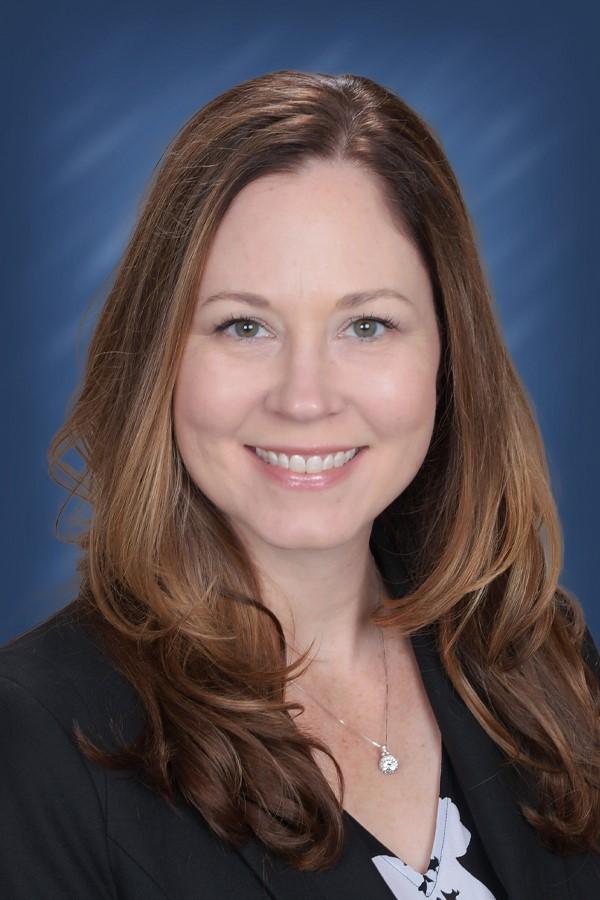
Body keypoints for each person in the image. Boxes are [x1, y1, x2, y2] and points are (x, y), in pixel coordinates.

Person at [1, 69, 599, 899]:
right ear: (159, 358)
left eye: (367, 324)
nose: (305, 397)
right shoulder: (34, 736)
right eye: (243, 326)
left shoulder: (535, 660)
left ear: (447, 356)